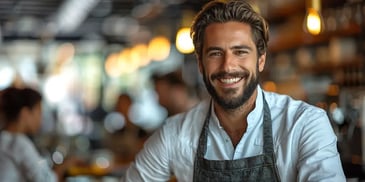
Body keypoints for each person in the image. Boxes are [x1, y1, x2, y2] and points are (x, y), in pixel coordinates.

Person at [122, 0, 346, 181]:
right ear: (200, 64)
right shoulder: (175, 134)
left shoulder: (305, 124)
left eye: (240, 52)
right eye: (215, 53)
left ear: (261, 60)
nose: (228, 66)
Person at [0, 86, 77, 182]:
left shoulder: (5, 139)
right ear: (25, 113)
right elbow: (46, 180)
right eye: (39, 112)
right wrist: (65, 165)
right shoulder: (19, 143)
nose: (41, 119)